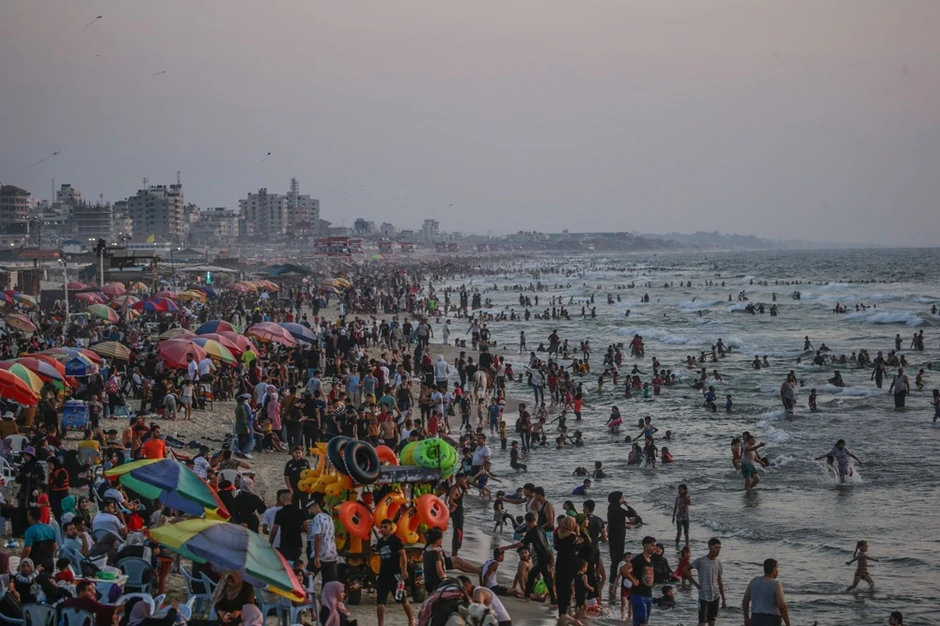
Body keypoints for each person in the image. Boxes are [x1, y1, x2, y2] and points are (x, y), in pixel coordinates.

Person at [497, 511, 556, 606]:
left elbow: (521, 543)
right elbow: (548, 544)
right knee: (541, 577)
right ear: (535, 519)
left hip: (542, 558)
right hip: (547, 556)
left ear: (527, 522)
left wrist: (505, 548)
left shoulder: (532, 531)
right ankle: (545, 599)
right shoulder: (541, 529)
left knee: (540, 577)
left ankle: (531, 597)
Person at [375, 519, 414, 626]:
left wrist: (404, 570)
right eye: (381, 527)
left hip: (395, 574)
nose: (383, 529)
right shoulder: (380, 542)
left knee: (402, 599)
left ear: (391, 529)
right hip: (383, 575)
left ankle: (411, 620)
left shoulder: (396, 540)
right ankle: (380, 623)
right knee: (380, 602)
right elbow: (379, 558)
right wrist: (377, 573)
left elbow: (403, 555)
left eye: (385, 527)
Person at [689, 538, 727, 626]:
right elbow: (685, 570)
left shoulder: (718, 563)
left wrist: (724, 599)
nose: (718, 550)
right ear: (709, 547)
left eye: (719, 548)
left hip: (715, 595)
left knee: (712, 622)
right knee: (702, 623)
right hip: (703, 597)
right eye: (716, 547)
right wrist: (695, 583)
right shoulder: (701, 561)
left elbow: (719, 581)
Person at [742, 559, 790, 626]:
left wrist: (746, 617)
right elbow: (782, 606)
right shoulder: (776, 584)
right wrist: (788, 623)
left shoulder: (754, 581)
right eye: (777, 568)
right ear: (774, 569)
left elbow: (745, 600)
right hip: (771, 620)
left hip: (755, 618)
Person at [623, 536, 658, 626]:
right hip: (638, 594)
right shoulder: (639, 559)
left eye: (655, 545)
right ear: (645, 546)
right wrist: (633, 580)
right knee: (642, 622)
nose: (655, 547)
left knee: (643, 622)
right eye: (652, 545)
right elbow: (623, 569)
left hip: (648, 595)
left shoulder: (651, 560)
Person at [308, 493, 339, 586]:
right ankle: (327, 599)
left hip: (321, 553)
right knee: (329, 582)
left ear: (312, 508)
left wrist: (317, 556)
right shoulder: (328, 517)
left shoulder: (317, 519)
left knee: (307, 576)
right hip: (332, 553)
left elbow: (318, 537)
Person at [22, 506, 57, 572]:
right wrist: (49, 558)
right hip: (50, 564)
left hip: (36, 566)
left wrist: (21, 563)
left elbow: (27, 550)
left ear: (30, 516)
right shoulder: (50, 529)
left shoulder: (30, 531)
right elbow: (54, 547)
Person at [672, 484, 691, 549]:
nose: (679, 491)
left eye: (680, 489)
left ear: (685, 490)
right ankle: (677, 545)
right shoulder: (677, 498)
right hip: (679, 517)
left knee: (686, 532)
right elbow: (675, 507)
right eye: (679, 489)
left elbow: (688, 504)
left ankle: (687, 546)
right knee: (679, 532)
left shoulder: (687, 497)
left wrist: (686, 499)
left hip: (685, 517)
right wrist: (673, 517)